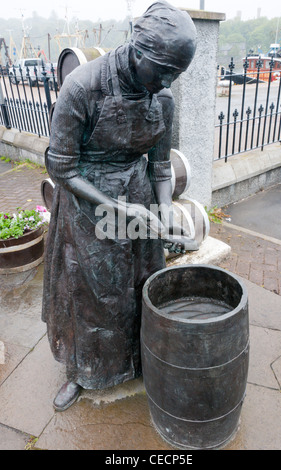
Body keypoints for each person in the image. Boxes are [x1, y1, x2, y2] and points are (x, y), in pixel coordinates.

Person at [42, 0, 197, 411]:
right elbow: (61, 169)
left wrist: (163, 214)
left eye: (176, 74)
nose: (167, 80)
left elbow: (161, 166)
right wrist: (117, 208)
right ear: (138, 50)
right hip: (87, 201)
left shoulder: (161, 97)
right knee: (91, 291)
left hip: (138, 195)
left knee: (143, 280)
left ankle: (140, 358)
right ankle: (84, 371)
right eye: (163, 70)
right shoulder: (81, 87)